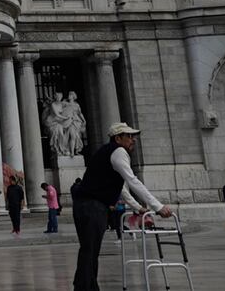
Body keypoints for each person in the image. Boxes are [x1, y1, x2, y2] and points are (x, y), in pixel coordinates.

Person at [73, 123, 173, 291]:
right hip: (92, 206)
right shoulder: (118, 152)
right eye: (128, 136)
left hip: (88, 206)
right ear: (118, 138)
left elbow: (122, 190)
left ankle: (89, 287)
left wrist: (137, 207)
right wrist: (158, 206)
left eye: (133, 136)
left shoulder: (109, 152)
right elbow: (133, 181)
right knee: (89, 251)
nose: (133, 139)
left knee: (90, 251)